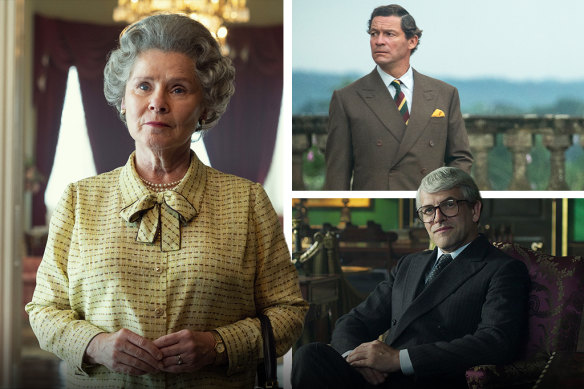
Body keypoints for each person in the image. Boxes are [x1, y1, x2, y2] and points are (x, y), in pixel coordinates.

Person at [26, 14, 308, 389]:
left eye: (178, 89)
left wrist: (218, 346)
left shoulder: (248, 201)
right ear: (124, 101)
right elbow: (44, 311)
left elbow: (288, 314)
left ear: (205, 107)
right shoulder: (79, 199)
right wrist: (94, 344)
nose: (157, 102)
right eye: (143, 86)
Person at [293, 167, 530, 388]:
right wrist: (357, 360)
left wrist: (400, 359)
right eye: (428, 210)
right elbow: (354, 321)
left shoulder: (502, 269)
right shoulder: (410, 264)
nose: (438, 218)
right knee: (309, 355)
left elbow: (495, 341)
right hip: (380, 378)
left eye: (449, 205)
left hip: (429, 377)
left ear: (475, 210)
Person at [324, 4, 473, 191]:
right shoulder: (347, 99)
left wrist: (447, 196)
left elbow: (460, 158)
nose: (379, 41)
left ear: (412, 41)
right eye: (373, 33)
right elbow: (337, 173)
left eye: (389, 34)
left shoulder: (445, 93)